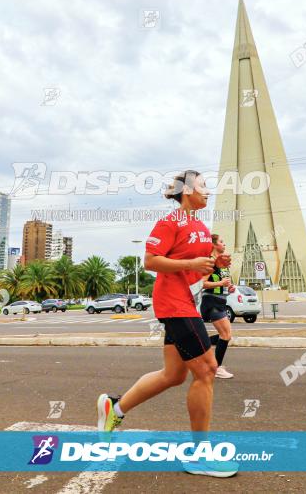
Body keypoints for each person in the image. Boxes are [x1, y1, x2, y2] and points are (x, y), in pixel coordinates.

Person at [96, 170, 238, 478]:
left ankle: (115, 408)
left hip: (187, 301)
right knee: (207, 370)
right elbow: (151, 260)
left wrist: (215, 263)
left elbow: (197, 270)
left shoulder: (200, 226)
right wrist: (191, 264)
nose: (207, 192)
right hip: (173, 303)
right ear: (187, 191)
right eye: (202, 187)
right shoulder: (170, 222)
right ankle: (200, 455)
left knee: (173, 375)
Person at [200, 235, 235, 379]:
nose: (224, 244)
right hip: (211, 302)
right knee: (226, 335)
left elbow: (223, 283)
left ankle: (198, 345)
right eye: (221, 242)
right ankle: (216, 368)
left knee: (226, 335)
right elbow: (202, 283)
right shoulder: (211, 262)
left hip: (220, 301)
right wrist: (221, 284)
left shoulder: (222, 263)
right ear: (213, 245)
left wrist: (229, 287)